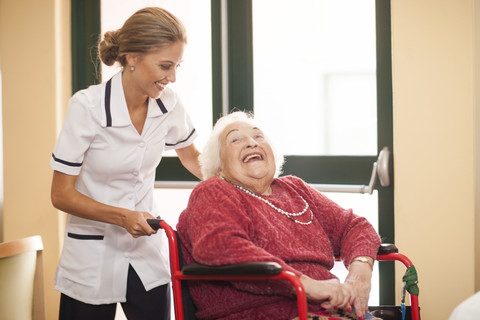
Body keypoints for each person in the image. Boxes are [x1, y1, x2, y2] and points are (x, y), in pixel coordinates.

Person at [50, 7, 202, 320]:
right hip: (92, 255)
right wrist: (122, 217)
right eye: (165, 65)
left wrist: (243, 182)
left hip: (146, 251)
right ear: (132, 57)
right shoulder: (87, 107)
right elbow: (61, 194)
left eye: (177, 66)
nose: (172, 77)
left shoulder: (169, 104)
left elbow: (193, 159)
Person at [176, 111, 381, 320]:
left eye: (258, 136)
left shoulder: (295, 189)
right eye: (235, 139)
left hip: (329, 310)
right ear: (218, 167)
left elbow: (354, 227)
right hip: (261, 312)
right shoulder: (214, 191)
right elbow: (220, 246)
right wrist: (305, 284)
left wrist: (359, 275)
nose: (251, 143)